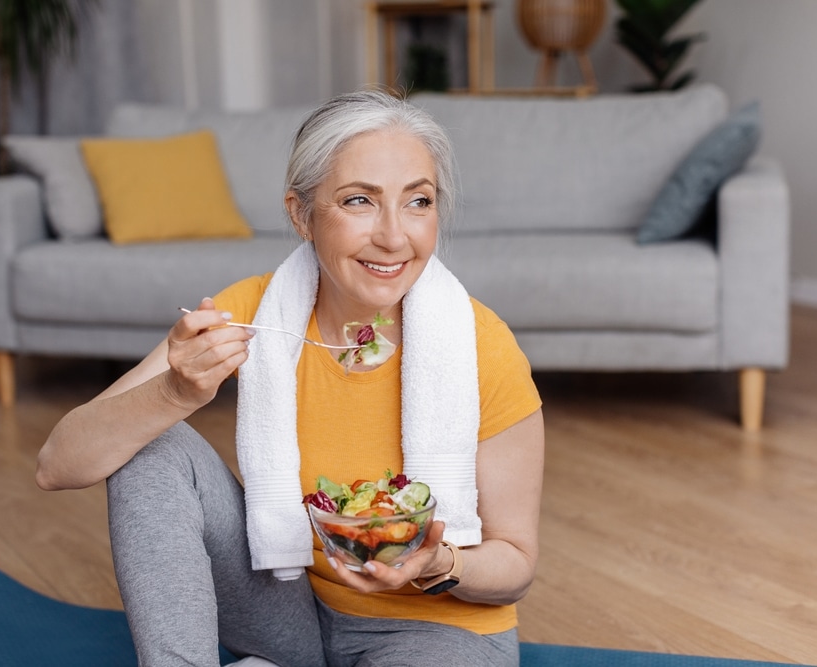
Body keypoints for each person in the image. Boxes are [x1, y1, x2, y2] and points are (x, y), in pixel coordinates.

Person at [36, 89, 544, 667]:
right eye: (359, 201)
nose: (394, 236)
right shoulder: (253, 312)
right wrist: (173, 393)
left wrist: (438, 563)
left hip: (437, 633)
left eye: (418, 201)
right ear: (301, 214)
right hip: (291, 611)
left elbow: (516, 565)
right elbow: (57, 465)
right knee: (153, 443)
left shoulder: (482, 345)